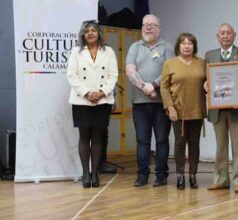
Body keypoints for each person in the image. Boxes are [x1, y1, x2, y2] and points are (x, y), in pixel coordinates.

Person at [67, 20, 118, 188]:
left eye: (93, 30)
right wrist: (87, 93)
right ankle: (85, 173)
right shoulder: (76, 51)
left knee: (97, 138)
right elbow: (71, 76)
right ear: (83, 34)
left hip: (102, 100)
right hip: (82, 100)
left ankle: (95, 172)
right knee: (84, 137)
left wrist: (102, 92)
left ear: (99, 33)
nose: (90, 33)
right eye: (87, 31)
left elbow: (113, 75)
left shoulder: (108, 51)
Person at [126, 14, 174, 187]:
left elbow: (169, 73)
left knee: (162, 140)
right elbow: (130, 71)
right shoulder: (134, 47)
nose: (148, 28)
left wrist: (153, 85)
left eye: (152, 25)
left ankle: (161, 175)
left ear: (159, 29)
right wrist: (144, 87)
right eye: (145, 24)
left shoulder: (167, 47)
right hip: (140, 103)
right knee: (142, 140)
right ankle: (142, 175)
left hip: (162, 103)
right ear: (141, 27)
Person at [205, 23, 238, 193]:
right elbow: (207, 79)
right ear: (218, 36)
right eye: (222, 33)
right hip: (217, 109)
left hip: (237, 107)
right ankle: (221, 179)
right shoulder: (210, 55)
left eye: (228, 33)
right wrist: (206, 84)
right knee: (220, 147)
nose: (225, 36)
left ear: (234, 35)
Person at [160, 33, 206, 190]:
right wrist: (169, 107)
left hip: (197, 110)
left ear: (194, 46)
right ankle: (180, 175)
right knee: (180, 143)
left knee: (195, 144)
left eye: (190, 43)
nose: (187, 46)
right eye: (183, 43)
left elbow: (209, 82)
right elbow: (164, 86)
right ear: (178, 46)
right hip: (177, 111)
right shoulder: (169, 63)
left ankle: (193, 175)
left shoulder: (202, 62)